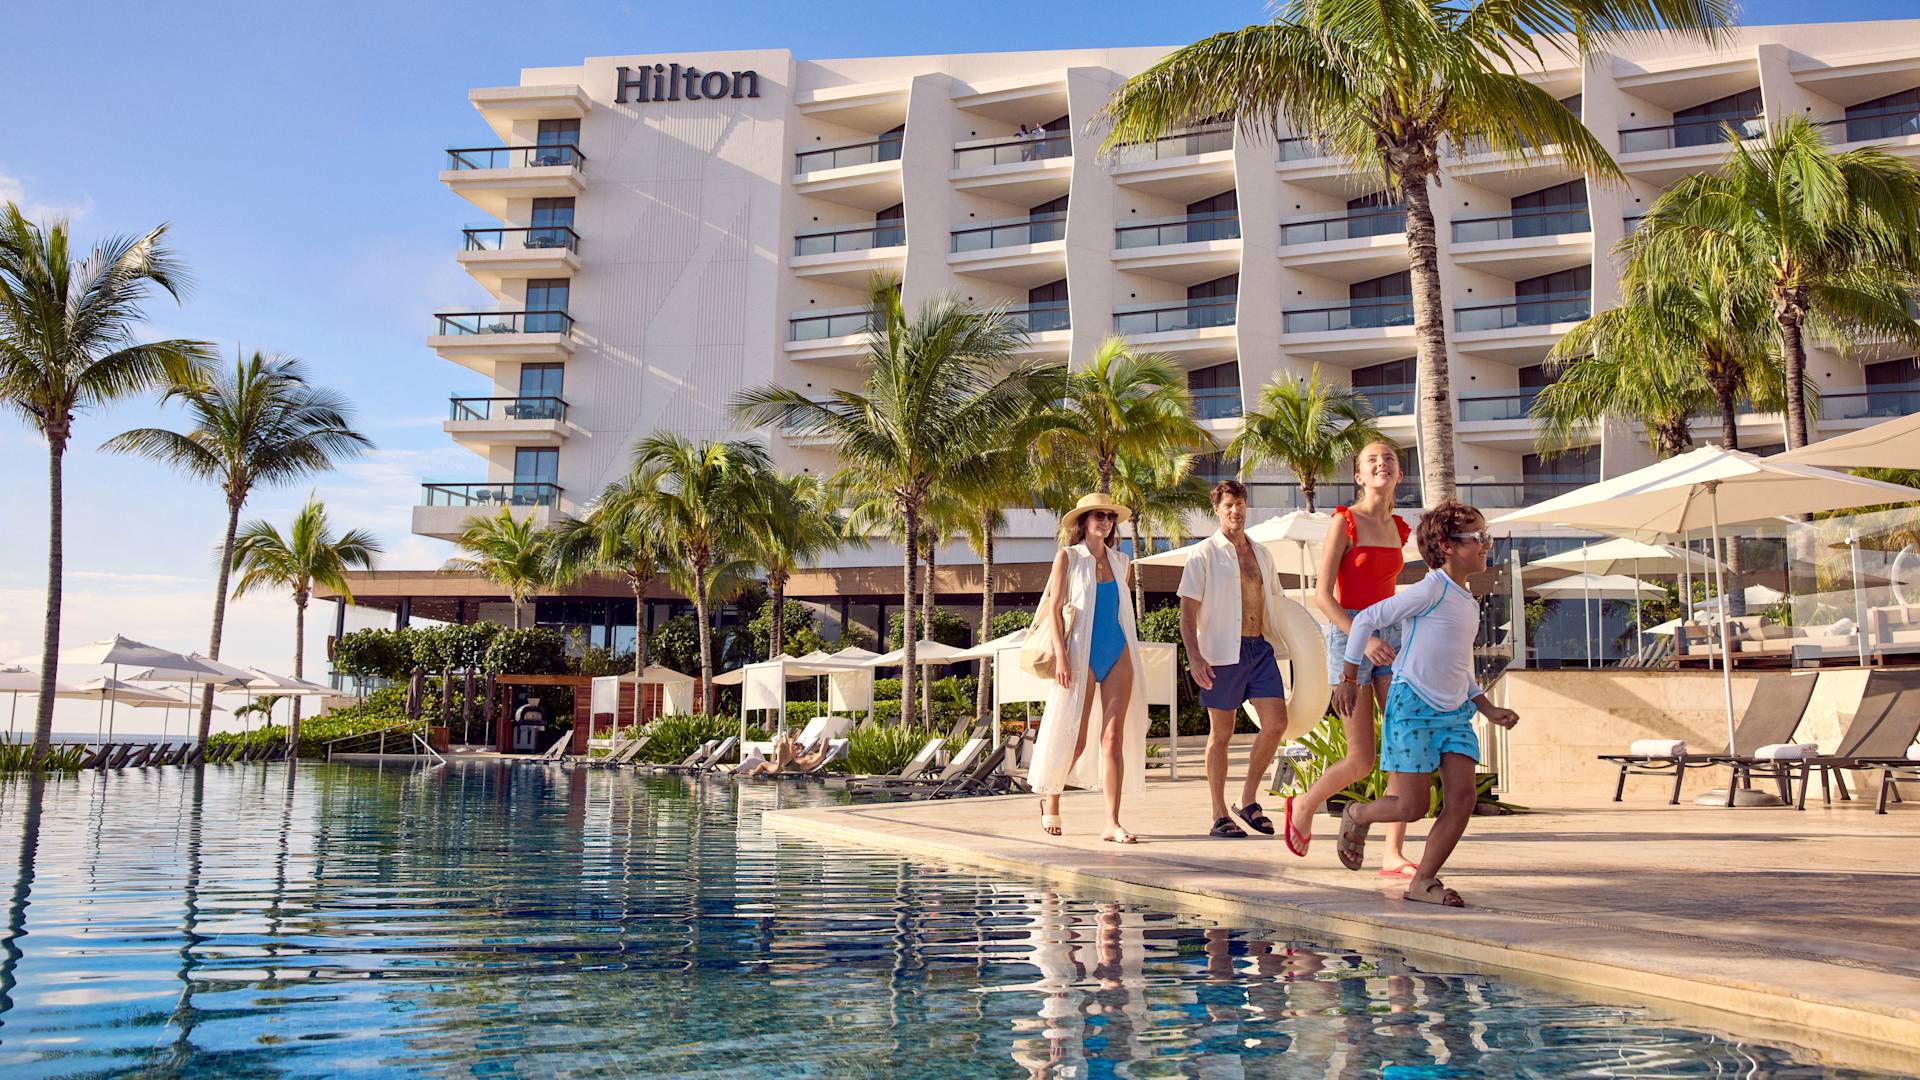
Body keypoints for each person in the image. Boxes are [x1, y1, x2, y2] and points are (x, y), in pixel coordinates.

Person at [1332, 500, 1520, 907]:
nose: (1487, 544)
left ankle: (1424, 880)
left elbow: (1458, 666)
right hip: (1412, 706)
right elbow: (1366, 619)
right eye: (1478, 537)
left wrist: (1485, 707)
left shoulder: (1468, 602)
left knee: (1463, 799)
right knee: (1412, 806)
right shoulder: (1433, 588)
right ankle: (1357, 816)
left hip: (1454, 713)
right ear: (1447, 546)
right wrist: (1349, 677)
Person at [1283, 441, 1416, 876]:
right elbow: (1323, 596)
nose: (1382, 463)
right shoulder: (1345, 521)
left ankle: (1392, 853)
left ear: (1398, 474)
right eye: (1371, 460)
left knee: (1402, 746)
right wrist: (1364, 638)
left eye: (1389, 459)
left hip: (1391, 636)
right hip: (1350, 638)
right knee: (1361, 758)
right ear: (1359, 476)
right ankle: (1304, 803)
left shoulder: (1401, 528)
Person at [1177, 479, 1296, 839]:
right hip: (1221, 651)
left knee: (1276, 723)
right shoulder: (1203, 554)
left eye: (1240, 504)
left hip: (1259, 648)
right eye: (1228, 505)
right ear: (1217, 509)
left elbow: (1277, 601)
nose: (1236, 511)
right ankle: (1218, 813)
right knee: (1223, 733)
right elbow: (1187, 612)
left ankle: (1247, 799)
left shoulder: (1262, 553)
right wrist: (1195, 657)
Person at [1030, 492, 1149, 844]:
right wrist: (1062, 656)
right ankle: (1051, 799)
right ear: (1083, 522)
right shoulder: (1067, 557)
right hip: (1080, 653)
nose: (1104, 521)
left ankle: (1111, 822)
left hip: (1117, 650)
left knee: (1113, 739)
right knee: (1076, 739)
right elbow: (1054, 610)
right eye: (1097, 515)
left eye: (1109, 516)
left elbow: (1118, 612)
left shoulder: (1121, 561)